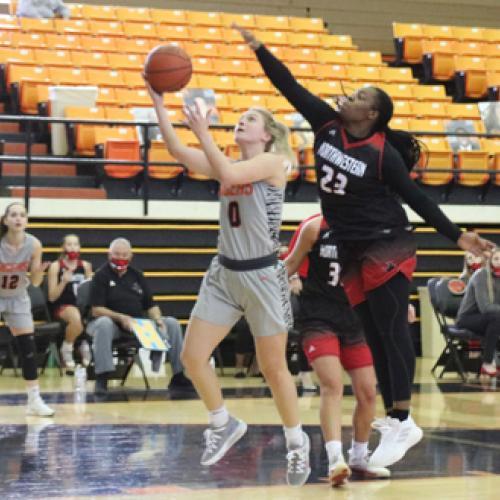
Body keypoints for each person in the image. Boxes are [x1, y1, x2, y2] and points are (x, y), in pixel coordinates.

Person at [233, 24, 495, 468]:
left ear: (371, 114)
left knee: (392, 331)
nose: (348, 99)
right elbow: (289, 86)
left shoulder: (382, 154)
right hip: (353, 247)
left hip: (387, 243)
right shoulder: (328, 126)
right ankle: (397, 416)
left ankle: (403, 418)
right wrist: (261, 49)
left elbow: (418, 200)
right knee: (374, 333)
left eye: (358, 98)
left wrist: (458, 235)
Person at [146, 76, 311, 487]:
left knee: (273, 369)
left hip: (262, 274)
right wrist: (159, 103)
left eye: (249, 119)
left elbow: (226, 172)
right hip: (224, 273)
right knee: (192, 357)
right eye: (238, 118)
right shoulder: (231, 164)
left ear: (268, 134)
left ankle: (296, 443)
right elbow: (176, 152)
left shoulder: (276, 163)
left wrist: (204, 133)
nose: (240, 123)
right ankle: (222, 422)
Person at [285, 213, 390, 485]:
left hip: (355, 318)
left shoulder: (370, 228)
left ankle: (358, 457)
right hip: (319, 315)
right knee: (332, 384)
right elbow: (289, 264)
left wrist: (399, 303)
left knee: (368, 391)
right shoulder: (313, 227)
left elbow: (381, 273)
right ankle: (335, 458)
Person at [87, 238, 193, 395]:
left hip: (137, 325)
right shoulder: (100, 276)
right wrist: (122, 318)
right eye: (117, 254)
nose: (120, 258)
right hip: (110, 324)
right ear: (109, 255)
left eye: (124, 255)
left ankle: (178, 375)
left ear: (130, 256)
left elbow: (151, 305)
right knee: (104, 323)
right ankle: (102, 377)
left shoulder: (137, 275)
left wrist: (157, 319)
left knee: (171, 323)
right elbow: (96, 310)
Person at [0, 202, 54, 416]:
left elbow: (35, 282)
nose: (18, 218)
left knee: (27, 348)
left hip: (17, 297)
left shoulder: (34, 244)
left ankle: (34, 400)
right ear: (5, 220)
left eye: (22, 215)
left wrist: (39, 272)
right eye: (13, 215)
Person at [47, 234, 92, 373]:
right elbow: (52, 297)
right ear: (63, 247)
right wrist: (64, 281)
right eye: (69, 244)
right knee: (75, 317)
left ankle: (84, 343)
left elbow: (90, 290)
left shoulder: (85, 266)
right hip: (62, 306)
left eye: (75, 244)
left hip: (81, 306)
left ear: (79, 247)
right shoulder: (56, 266)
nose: (72, 247)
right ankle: (67, 348)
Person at [456, 247, 500, 378]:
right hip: (467, 318)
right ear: (490, 260)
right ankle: (487, 363)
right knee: (496, 318)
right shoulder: (480, 275)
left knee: (496, 318)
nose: (499, 262)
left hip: (490, 318)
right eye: (496, 259)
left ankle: (493, 361)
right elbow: (485, 307)